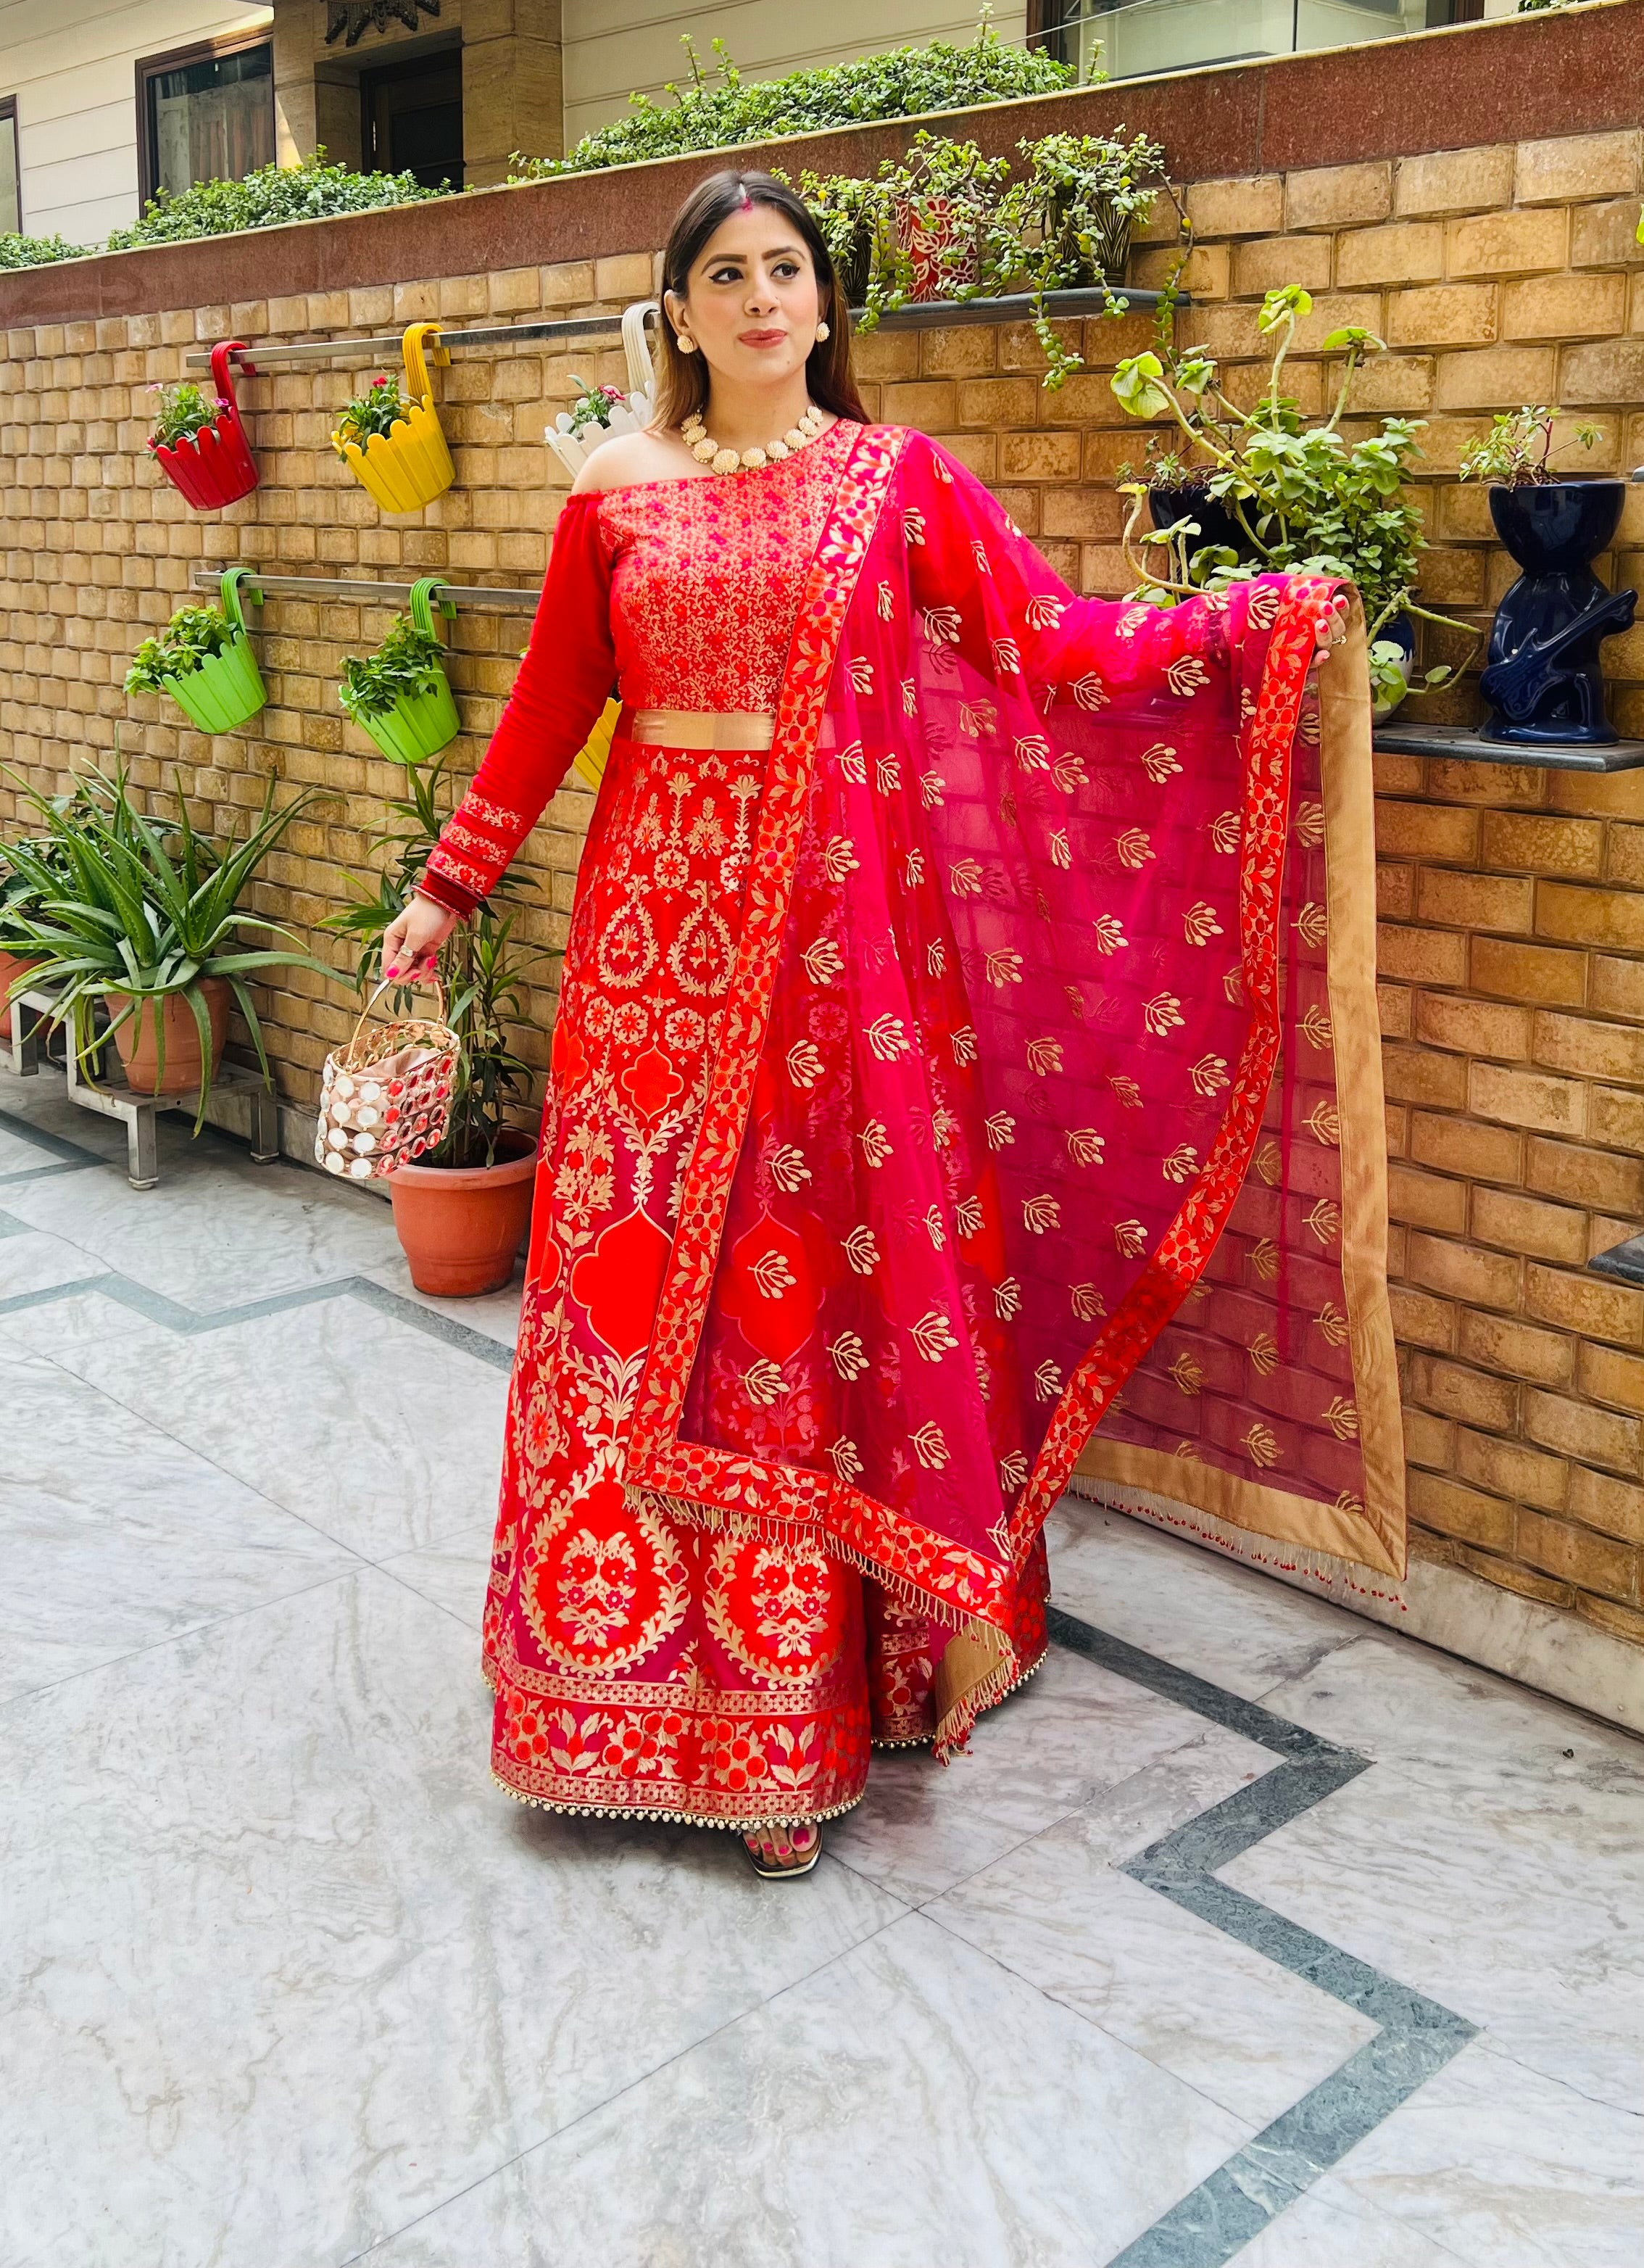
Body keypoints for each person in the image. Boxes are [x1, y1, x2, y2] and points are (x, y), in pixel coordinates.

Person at [383, 168, 1377, 1881]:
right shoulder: (613, 495)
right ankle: (602, 1699)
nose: (763, 298)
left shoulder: (894, 482)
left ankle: (792, 1719)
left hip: (833, 979)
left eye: (788, 271)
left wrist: (1244, 623)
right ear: (678, 315)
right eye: (725, 276)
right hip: (646, 960)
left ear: (826, 307)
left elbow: (1046, 643)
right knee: (624, 1303)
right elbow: (554, 703)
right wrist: (448, 889)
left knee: (793, 1295)